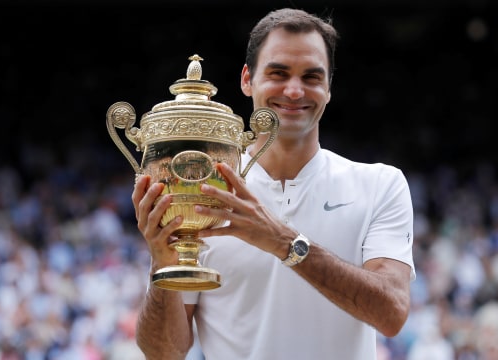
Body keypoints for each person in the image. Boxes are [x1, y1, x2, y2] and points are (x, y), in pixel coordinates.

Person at [132, 8, 415, 360]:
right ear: (247, 79)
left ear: (329, 87)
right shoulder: (202, 190)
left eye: (311, 77)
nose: (294, 91)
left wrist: (284, 243)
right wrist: (161, 264)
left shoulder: (379, 185)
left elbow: (391, 314)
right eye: (278, 73)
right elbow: (165, 352)